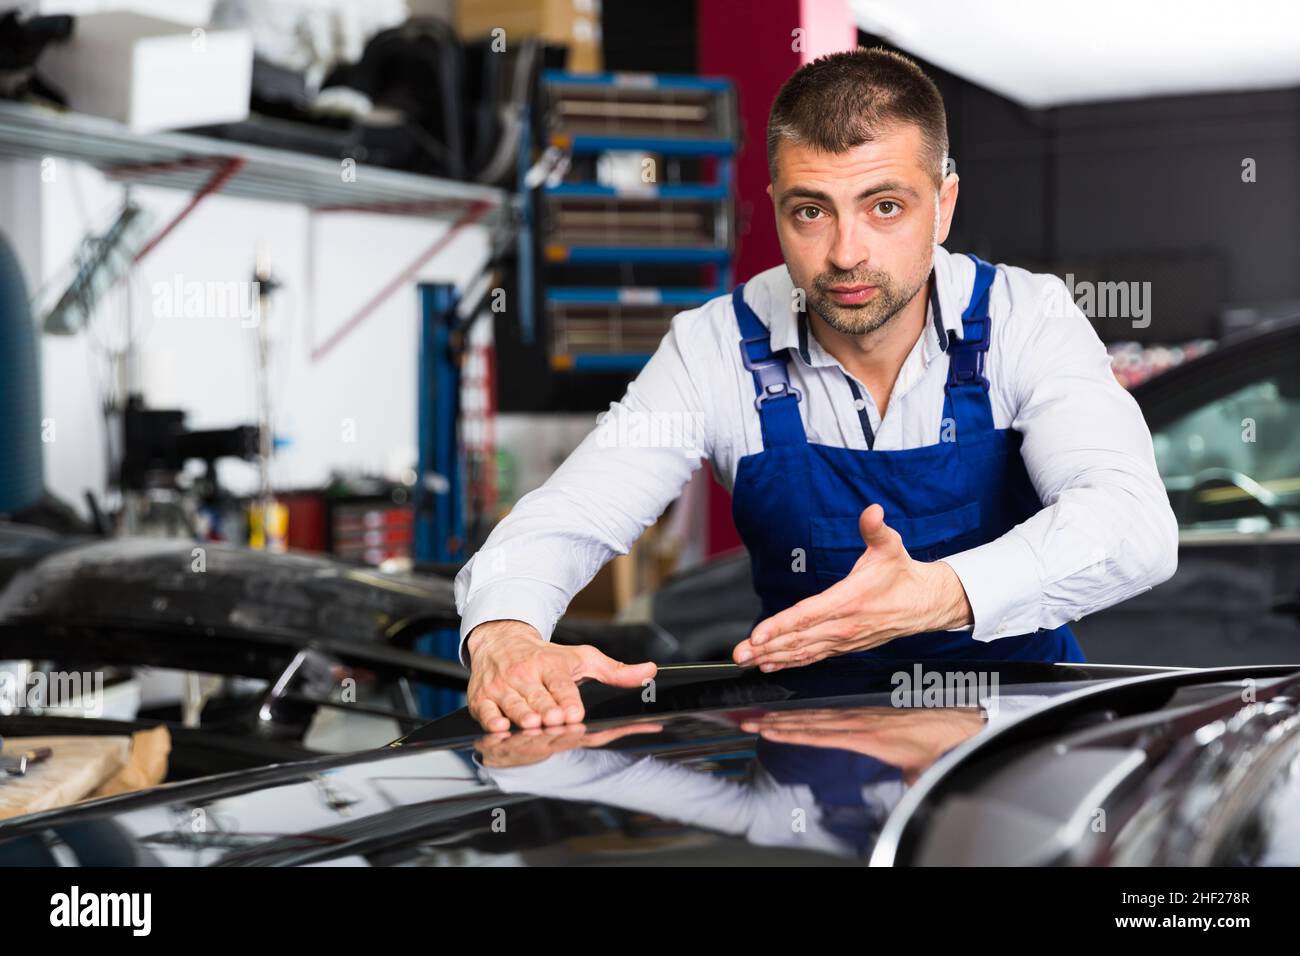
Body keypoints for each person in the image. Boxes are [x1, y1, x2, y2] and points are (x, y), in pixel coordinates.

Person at [454, 48, 1177, 732]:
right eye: (811, 211)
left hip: (1021, 740)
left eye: (885, 206)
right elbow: (570, 515)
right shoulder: (714, 348)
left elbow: (1132, 526)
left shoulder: (1028, 319)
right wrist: (505, 633)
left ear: (944, 204)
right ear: (774, 207)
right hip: (813, 753)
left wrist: (938, 594)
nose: (845, 253)